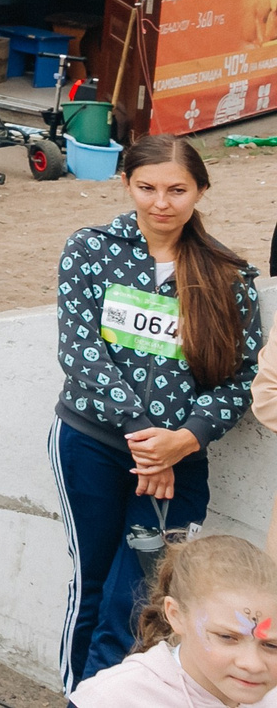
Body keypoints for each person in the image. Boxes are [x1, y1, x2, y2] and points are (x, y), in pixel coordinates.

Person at [53, 134, 262, 687]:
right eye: (146, 188)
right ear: (126, 184)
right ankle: (81, 697)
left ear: (201, 191)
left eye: (177, 190)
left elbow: (244, 375)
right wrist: (148, 443)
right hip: (92, 446)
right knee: (93, 583)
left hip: (180, 463)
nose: (161, 203)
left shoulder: (230, 276)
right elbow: (80, 352)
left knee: (139, 597)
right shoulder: (90, 250)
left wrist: (184, 441)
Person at [67, 533, 277, 707]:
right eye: (227, 637)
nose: (253, 664)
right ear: (176, 615)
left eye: (272, 645)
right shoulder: (114, 699)